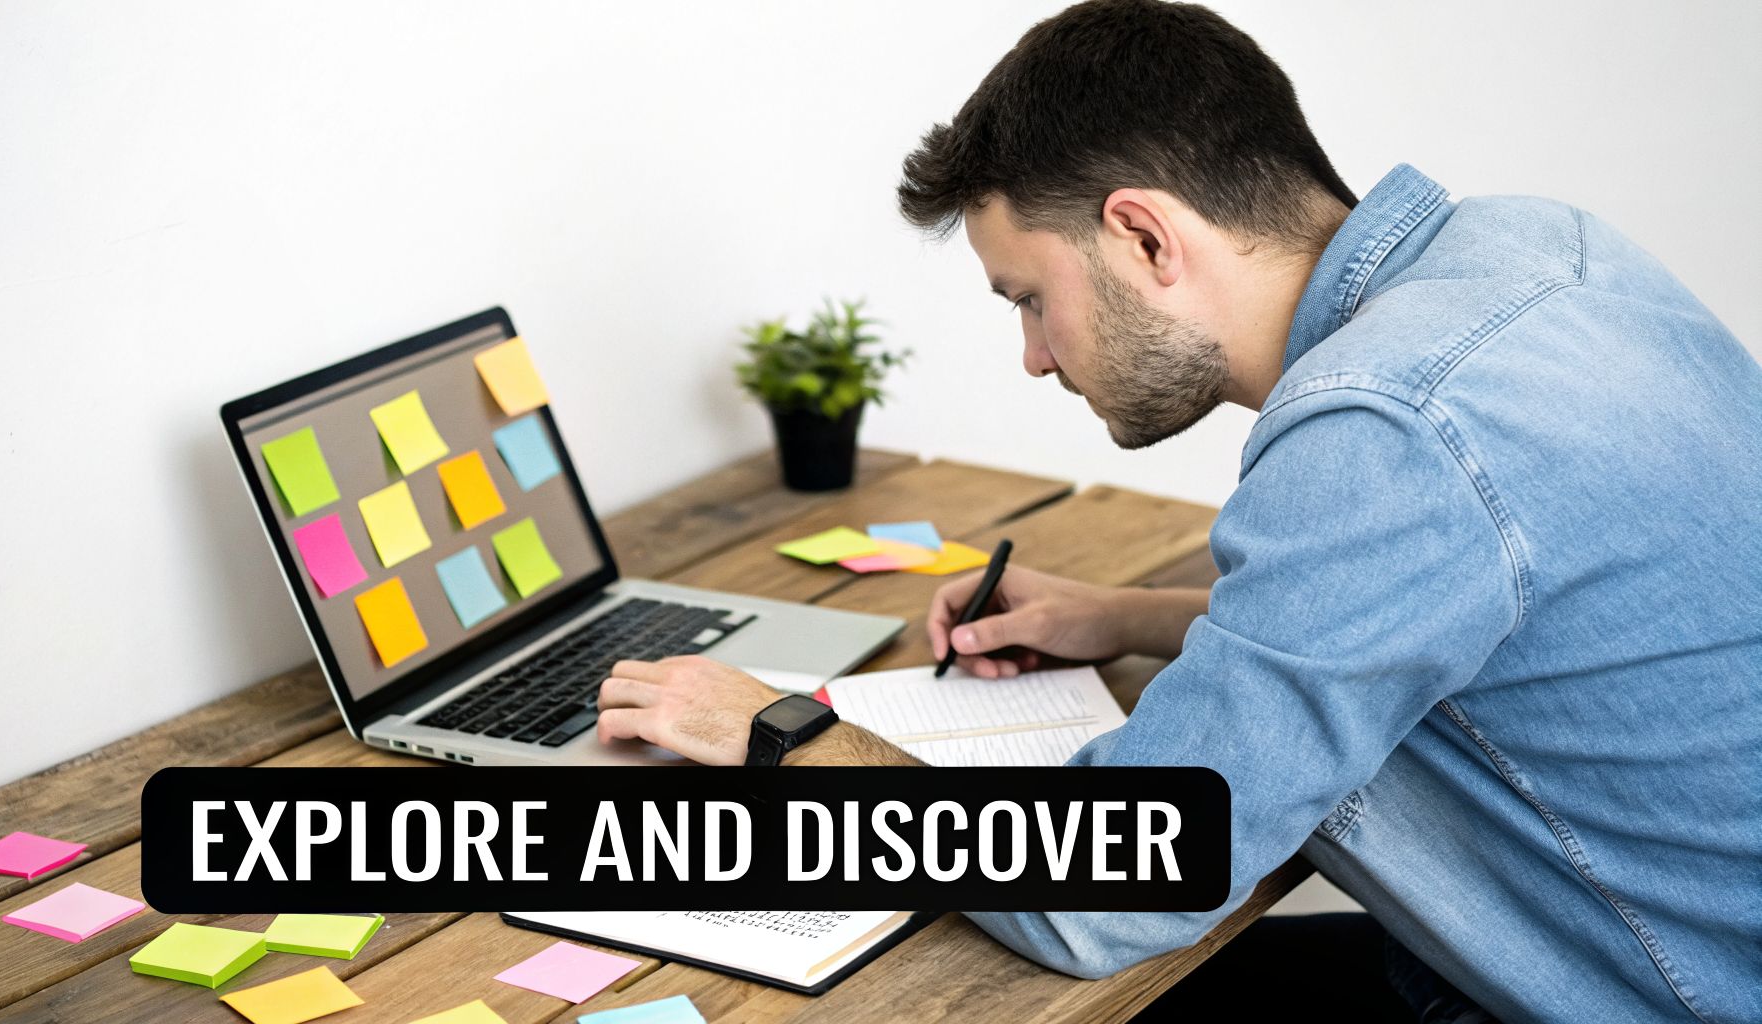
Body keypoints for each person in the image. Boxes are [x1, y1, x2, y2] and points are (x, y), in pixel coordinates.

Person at [589, 2, 1762, 1021]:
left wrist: (784, 739)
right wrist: (1135, 614)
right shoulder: (1531, 248)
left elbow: (1110, 886)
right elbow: (1479, 595)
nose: (1034, 360)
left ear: (1143, 235)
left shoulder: (1379, 432)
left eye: (1030, 299)